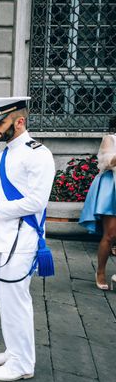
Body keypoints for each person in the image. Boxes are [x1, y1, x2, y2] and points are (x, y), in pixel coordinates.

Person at [0, 96, 55, 382]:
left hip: (23, 238)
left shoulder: (38, 154)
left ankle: (23, 363)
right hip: (1, 235)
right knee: (5, 298)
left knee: (16, 299)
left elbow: (36, 201)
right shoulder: (5, 152)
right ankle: (14, 351)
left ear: (19, 121)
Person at [79, 118, 116, 290]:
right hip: (112, 187)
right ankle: (100, 271)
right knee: (110, 235)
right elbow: (105, 162)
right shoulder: (110, 139)